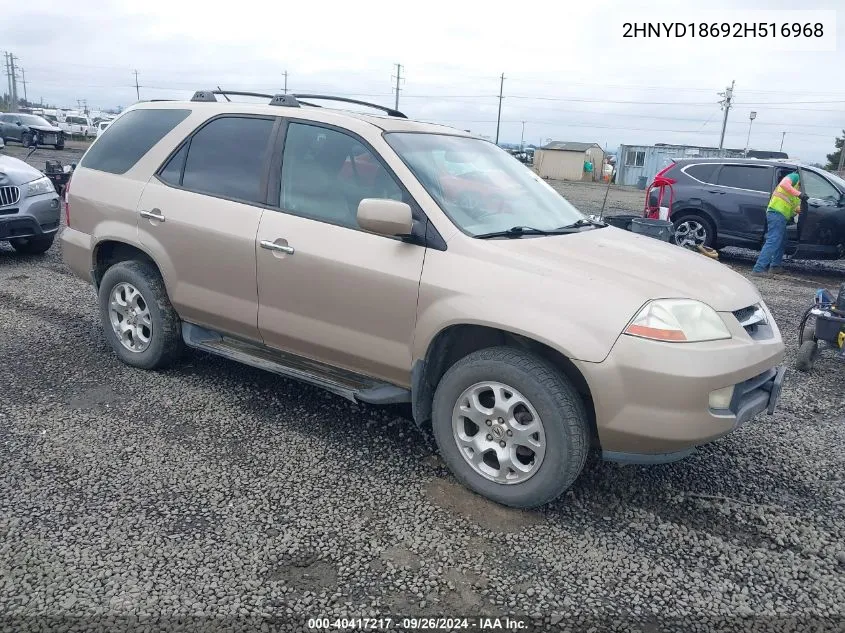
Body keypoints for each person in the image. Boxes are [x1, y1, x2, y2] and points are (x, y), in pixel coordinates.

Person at [751, 172, 808, 276]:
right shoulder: (795, 176)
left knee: (781, 240)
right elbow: (784, 184)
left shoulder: (797, 189)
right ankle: (758, 269)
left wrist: (797, 210)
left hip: (781, 216)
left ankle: (775, 266)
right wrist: (799, 194)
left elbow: (791, 205)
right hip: (776, 212)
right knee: (773, 240)